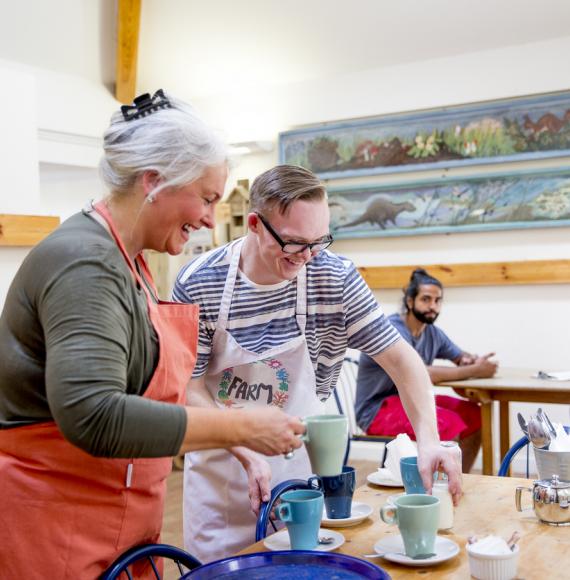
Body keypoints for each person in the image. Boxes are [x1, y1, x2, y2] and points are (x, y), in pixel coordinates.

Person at [0, 90, 305, 578]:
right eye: (206, 198)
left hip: (116, 525)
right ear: (154, 181)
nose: (209, 218)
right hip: (58, 527)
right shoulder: (86, 262)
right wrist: (243, 426)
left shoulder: (131, 263)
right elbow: (93, 415)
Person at [173, 164, 463, 563]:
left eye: (319, 241)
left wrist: (428, 439)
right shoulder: (199, 282)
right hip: (222, 472)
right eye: (294, 243)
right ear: (255, 224)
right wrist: (241, 446)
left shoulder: (334, 277)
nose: (307, 257)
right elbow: (187, 385)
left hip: (298, 470)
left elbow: (402, 361)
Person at [355, 268, 498, 472]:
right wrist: (476, 370)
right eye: (426, 299)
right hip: (377, 409)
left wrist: (472, 360)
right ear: (410, 302)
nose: (433, 306)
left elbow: (460, 356)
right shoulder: (391, 329)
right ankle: (440, 491)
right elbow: (421, 374)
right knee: (448, 423)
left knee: (475, 415)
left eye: (437, 300)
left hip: (411, 399)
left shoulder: (432, 333)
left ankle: (459, 479)